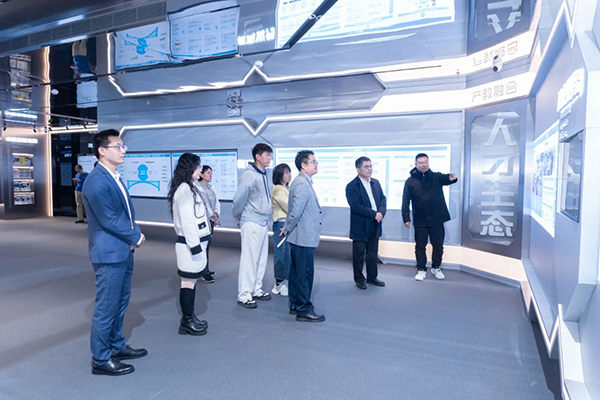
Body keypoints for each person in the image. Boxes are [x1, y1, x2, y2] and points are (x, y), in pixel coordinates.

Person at [82, 129, 147, 376]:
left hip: (122, 250)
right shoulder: (96, 180)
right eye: (118, 147)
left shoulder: (114, 176)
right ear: (102, 150)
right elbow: (108, 219)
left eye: (123, 147)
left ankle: (117, 346)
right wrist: (135, 236)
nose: (123, 151)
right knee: (106, 308)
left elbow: (125, 214)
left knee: (120, 303)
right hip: (109, 254)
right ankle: (100, 359)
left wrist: (133, 235)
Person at [168, 153, 211, 336]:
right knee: (187, 282)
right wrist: (195, 247)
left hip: (194, 244)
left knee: (190, 282)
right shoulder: (184, 190)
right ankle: (187, 321)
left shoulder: (190, 187)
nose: (200, 170)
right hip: (189, 246)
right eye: (198, 166)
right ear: (190, 168)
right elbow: (187, 222)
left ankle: (190, 318)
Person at [401, 153, 458, 281]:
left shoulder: (436, 177)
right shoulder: (410, 181)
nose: (424, 165)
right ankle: (421, 269)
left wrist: (452, 178)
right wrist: (406, 217)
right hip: (420, 219)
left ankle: (436, 267)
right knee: (420, 246)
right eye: (421, 163)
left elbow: (447, 179)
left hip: (437, 219)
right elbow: (405, 200)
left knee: (438, 245)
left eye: (426, 162)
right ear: (416, 164)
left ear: (429, 163)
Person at [285, 150, 325, 322]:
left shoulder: (301, 181)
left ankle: (295, 303)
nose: (316, 165)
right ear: (303, 165)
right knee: (304, 274)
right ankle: (303, 309)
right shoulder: (302, 183)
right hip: (303, 236)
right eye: (314, 162)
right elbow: (295, 212)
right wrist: (287, 228)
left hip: (300, 236)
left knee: (297, 273)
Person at [232, 143, 273, 309]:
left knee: (261, 259)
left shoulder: (263, 173)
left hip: (262, 221)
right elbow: (239, 197)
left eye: (270, 155)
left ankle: (256, 289)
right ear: (258, 156)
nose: (270, 158)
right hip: (251, 221)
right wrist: (237, 213)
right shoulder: (249, 175)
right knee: (249, 259)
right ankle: (244, 295)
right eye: (267, 155)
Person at [345, 156, 387, 290]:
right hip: (361, 225)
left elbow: (383, 199)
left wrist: (381, 212)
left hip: (375, 223)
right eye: (366, 166)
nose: (370, 169)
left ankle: (372, 277)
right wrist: (374, 214)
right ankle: (359, 279)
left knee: (372, 253)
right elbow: (355, 206)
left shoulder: (375, 183)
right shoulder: (352, 186)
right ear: (358, 169)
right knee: (359, 255)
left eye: (371, 166)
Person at [196, 165, 221, 283]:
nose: (210, 175)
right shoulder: (197, 188)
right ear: (201, 175)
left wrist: (216, 213)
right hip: (203, 221)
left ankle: (206, 269)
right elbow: (203, 205)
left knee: (207, 246)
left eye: (211, 173)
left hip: (211, 221)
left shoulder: (211, 187)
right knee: (203, 246)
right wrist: (211, 214)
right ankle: (203, 272)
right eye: (208, 173)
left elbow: (217, 202)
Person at [271, 163, 292, 296]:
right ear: (279, 175)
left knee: (287, 255)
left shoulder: (286, 188)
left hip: (287, 224)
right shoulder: (278, 189)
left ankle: (284, 281)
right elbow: (289, 207)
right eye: (286, 172)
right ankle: (279, 282)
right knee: (281, 254)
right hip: (281, 225)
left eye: (289, 172)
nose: (289, 175)